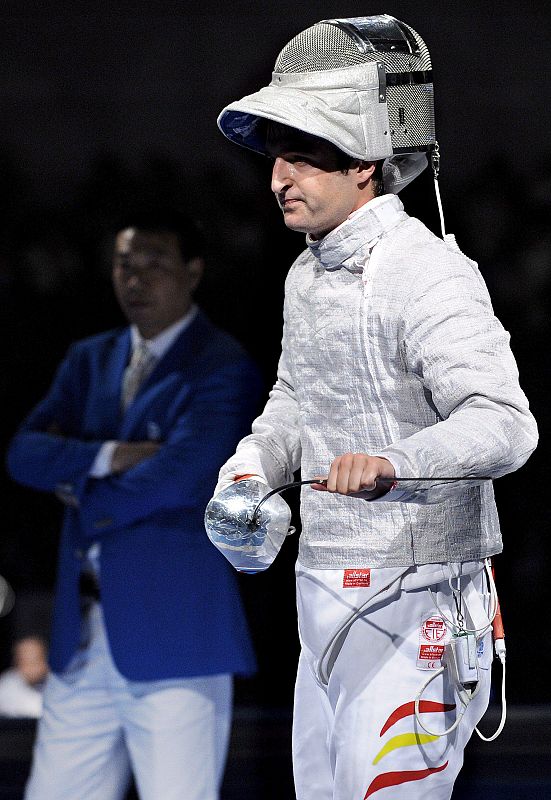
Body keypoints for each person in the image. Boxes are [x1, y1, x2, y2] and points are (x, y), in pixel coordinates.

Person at [213, 15, 538, 800]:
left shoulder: (426, 273)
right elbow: (297, 398)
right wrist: (249, 472)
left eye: (301, 158)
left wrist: (397, 462)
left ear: (364, 164)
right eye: (274, 159)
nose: (277, 179)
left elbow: (503, 421)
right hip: (323, 586)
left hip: (418, 591)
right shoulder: (307, 273)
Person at [7, 207, 262, 800]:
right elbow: (23, 454)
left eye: (155, 265)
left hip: (175, 629)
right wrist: (109, 456)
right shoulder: (89, 358)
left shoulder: (221, 365)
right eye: (125, 265)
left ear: (193, 272)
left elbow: (184, 476)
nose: (136, 280)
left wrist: (79, 488)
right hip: (83, 636)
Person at [0, 636, 48, 718]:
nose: (31, 668)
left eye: (35, 661)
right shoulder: (6, 685)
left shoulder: (58, 684)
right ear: (16, 663)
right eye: (25, 662)